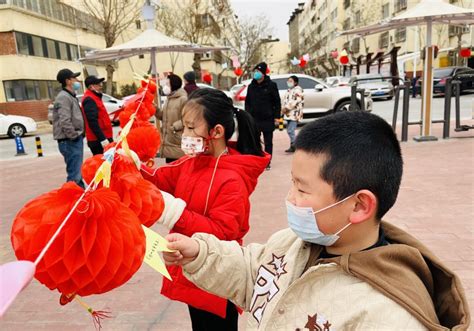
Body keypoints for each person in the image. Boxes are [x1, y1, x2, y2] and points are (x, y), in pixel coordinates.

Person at [162, 111, 470, 330]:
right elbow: (252, 272)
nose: (290, 198)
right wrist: (200, 253)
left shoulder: (385, 315)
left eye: (302, 188)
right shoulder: (292, 243)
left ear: (360, 205)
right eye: (292, 183)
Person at [141, 88, 270, 330]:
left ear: (216, 132)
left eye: (191, 127)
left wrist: (175, 212)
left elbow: (224, 232)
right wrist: (130, 166)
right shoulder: (193, 162)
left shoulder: (233, 179)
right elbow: (159, 178)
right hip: (193, 268)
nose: (185, 134)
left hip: (217, 273)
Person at [52, 68, 85, 189]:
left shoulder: (70, 96)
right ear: (68, 81)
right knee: (74, 176)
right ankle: (72, 201)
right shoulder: (63, 97)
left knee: (77, 174)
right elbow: (64, 120)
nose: (77, 80)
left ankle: (82, 197)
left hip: (73, 139)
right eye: (74, 78)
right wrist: (74, 135)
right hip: (69, 141)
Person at [245, 62, 281, 170]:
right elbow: (248, 102)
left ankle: (267, 161)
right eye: (255, 71)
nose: (255, 73)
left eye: (258, 71)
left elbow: (277, 102)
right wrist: (248, 115)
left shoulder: (271, 85)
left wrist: (276, 117)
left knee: (268, 142)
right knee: (255, 141)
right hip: (254, 119)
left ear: (263, 73)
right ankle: (257, 159)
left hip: (268, 118)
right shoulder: (251, 86)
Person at [158, 74, 188, 163]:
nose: (165, 87)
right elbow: (163, 116)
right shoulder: (168, 99)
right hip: (168, 141)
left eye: (167, 84)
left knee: (179, 167)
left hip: (177, 140)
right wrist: (155, 109)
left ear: (174, 84)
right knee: (170, 169)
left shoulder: (183, 99)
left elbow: (188, 118)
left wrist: (175, 126)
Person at [81, 75, 113, 155]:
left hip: (104, 136)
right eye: (98, 84)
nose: (100, 86)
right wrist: (103, 139)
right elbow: (92, 122)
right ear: (91, 87)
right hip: (98, 140)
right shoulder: (89, 99)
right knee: (103, 165)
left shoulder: (95, 97)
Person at [281, 75, 304, 153]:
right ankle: (293, 145)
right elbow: (285, 100)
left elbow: (295, 101)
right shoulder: (289, 90)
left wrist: (286, 108)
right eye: (288, 81)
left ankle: (296, 145)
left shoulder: (298, 90)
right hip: (288, 114)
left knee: (290, 130)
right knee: (289, 130)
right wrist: (283, 108)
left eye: (291, 81)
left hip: (294, 113)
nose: (288, 82)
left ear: (295, 82)